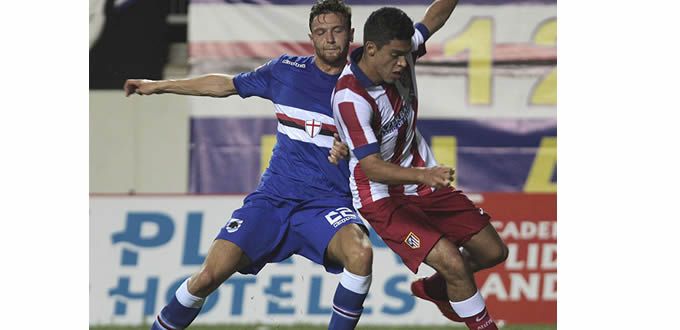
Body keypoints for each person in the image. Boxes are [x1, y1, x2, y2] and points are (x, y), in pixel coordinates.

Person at [124, 1, 373, 329]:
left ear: (351, 34)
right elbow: (225, 85)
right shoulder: (285, 71)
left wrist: (352, 147)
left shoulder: (365, 86)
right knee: (209, 275)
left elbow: (383, 144)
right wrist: (159, 85)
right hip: (272, 200)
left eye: (337, 31)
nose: (329, 39)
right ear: (310, 37)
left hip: (326, 204)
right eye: (321, 32)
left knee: (361, 254)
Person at [331, 2, 508, 329]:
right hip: (382, 197)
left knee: (492, 252)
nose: (404, 62)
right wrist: (424, 174)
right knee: (453, 262)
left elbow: (433, 17)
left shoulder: (402, 48)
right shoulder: (350, 98)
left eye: (406, 54)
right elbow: (371, 167)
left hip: (422, 183)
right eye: (395, 55)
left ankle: (436, 289)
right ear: (370, 49)